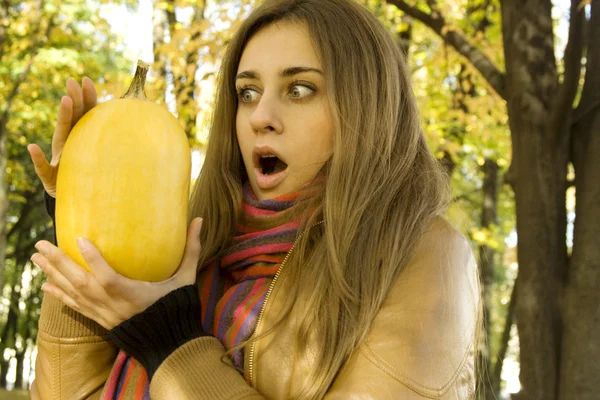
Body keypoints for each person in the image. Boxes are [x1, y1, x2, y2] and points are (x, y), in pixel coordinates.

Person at [27, 0, 480, 398]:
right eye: (248, 92)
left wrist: (173, 346)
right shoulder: (191, 247)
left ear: (367, 107)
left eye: (299, 89)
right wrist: (84, 214)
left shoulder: (422, 254)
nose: (261, 117)